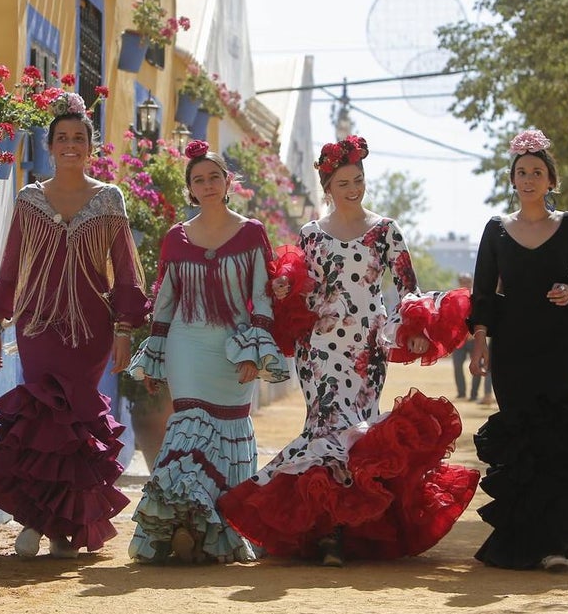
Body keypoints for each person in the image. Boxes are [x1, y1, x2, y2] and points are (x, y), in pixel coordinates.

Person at [219, 135, 479, 566]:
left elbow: (407, 288)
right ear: (327, 187)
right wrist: (283, 286)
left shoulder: (385, 230)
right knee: (325, 425)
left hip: (365, 349)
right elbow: (298, 287)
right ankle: (331, 534)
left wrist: (414, 330)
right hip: (317, 349)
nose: (353, 188)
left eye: (358, 180)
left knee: (356, 427)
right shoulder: (310, 235)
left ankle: (335, 527)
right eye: (343, 183)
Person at [0, 95, 150, 559]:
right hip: (36, 327)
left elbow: (126, 273)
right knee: (38, 420)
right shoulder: (30, 198)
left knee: (74, 424)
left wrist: (125, 331)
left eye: (79, 138)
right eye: (62, 138)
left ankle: (61, 528)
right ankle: (36, 522)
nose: (71, 145)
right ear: (49, 146)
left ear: (91, 147)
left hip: (90, 331)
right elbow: (11, 268)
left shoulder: (110, 199)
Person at [125, 140, 289, 565]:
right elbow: (165, 303)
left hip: (233, 353)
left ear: (227, 182)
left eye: (215, 176)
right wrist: (156, 356)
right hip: (187, 347)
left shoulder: (252, 232)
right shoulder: (175, 240)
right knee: (188, 427)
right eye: (199, 180)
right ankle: (179, 526)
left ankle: (217, 530)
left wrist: (255, 353)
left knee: (230, 430)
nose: (208, 184)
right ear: (190, 190)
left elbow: (262, 297)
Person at [468, 128, 568, 571]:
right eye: (521, 172)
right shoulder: (495, 230)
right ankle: (521, 541)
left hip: (557, 346)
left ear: (551, 180)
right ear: (512, 180)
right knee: (520, 438)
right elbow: (482, 293)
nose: (528, 178)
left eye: (536, 172)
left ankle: (558, 539)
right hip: (511, 348)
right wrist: (480, 342)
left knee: (554, 437)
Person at [450, 273, 474, 399]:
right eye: (462, 281)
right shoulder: (454, 299)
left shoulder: (477, 297)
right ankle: (461, 392)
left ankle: (474, 395)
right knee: (457, 365)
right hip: (460, 339)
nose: (465, 284)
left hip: (475, 339)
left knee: (477, 366)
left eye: (467, 281)